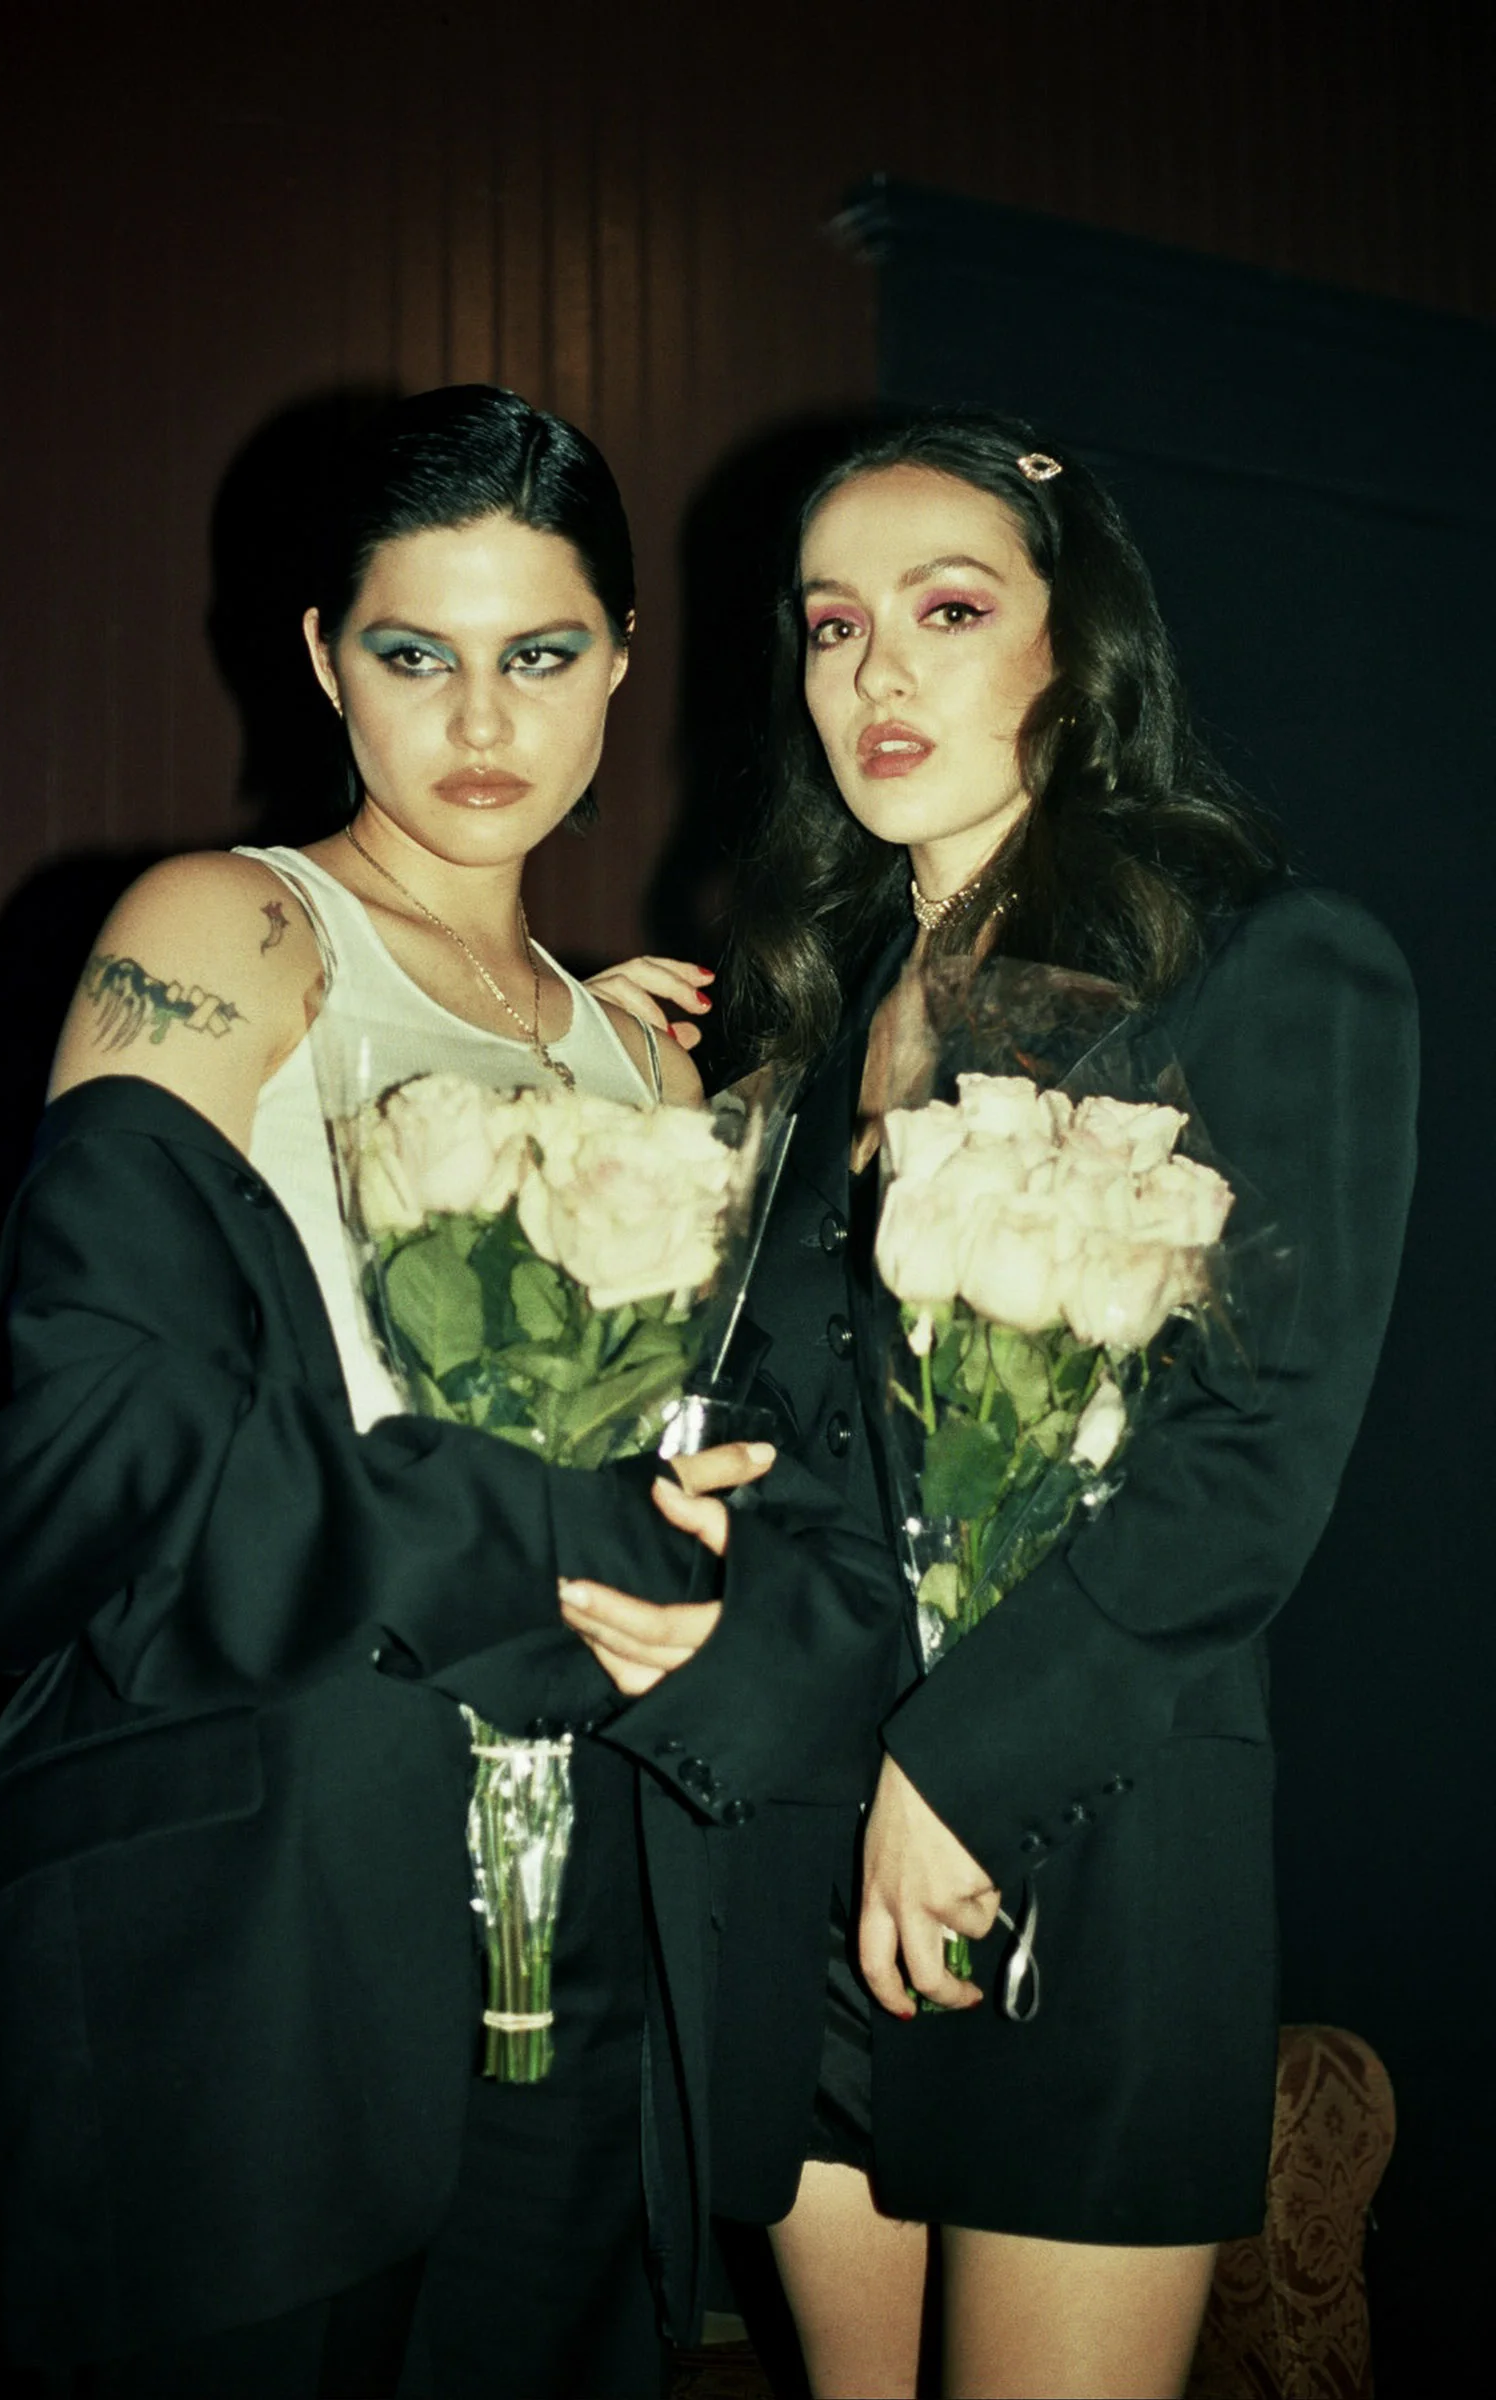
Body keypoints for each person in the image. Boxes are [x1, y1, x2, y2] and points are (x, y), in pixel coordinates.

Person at [0, 386, 901, 2399]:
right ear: (319, 661)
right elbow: (92, 1442)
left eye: (538, 654)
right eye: (411, 653)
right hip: (260, 1924)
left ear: (621, 658)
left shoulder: (645, 1062)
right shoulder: (228, 932)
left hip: (596, 1922)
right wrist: (523, 1531)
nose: (477, 722)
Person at [702, 408, 1419, 2399]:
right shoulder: (791, 1017)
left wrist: (960, 1772)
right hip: (799, 1846)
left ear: (1073, 644)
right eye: (830, 624)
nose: (876, 670)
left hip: (1081, 1839)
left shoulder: (1267, 965)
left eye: (945, 608)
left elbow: (1255, 1460)